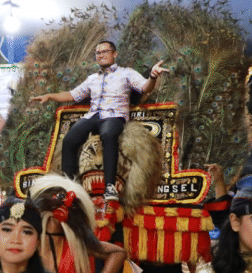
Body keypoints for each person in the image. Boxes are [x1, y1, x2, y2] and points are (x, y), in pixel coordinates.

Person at [31, 41, 163, 201]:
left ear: (115, 54)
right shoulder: (92, 78)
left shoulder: (126, 73)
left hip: (114, 115)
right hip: (93, 116)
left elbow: (145, 87)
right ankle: (69, 186)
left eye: (104, 51)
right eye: (98, 53)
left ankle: (110, 187)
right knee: (69, 140)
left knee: (108, 134)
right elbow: (73, 95)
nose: (100, 55)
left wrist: (153, 76)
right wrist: (50, 96)